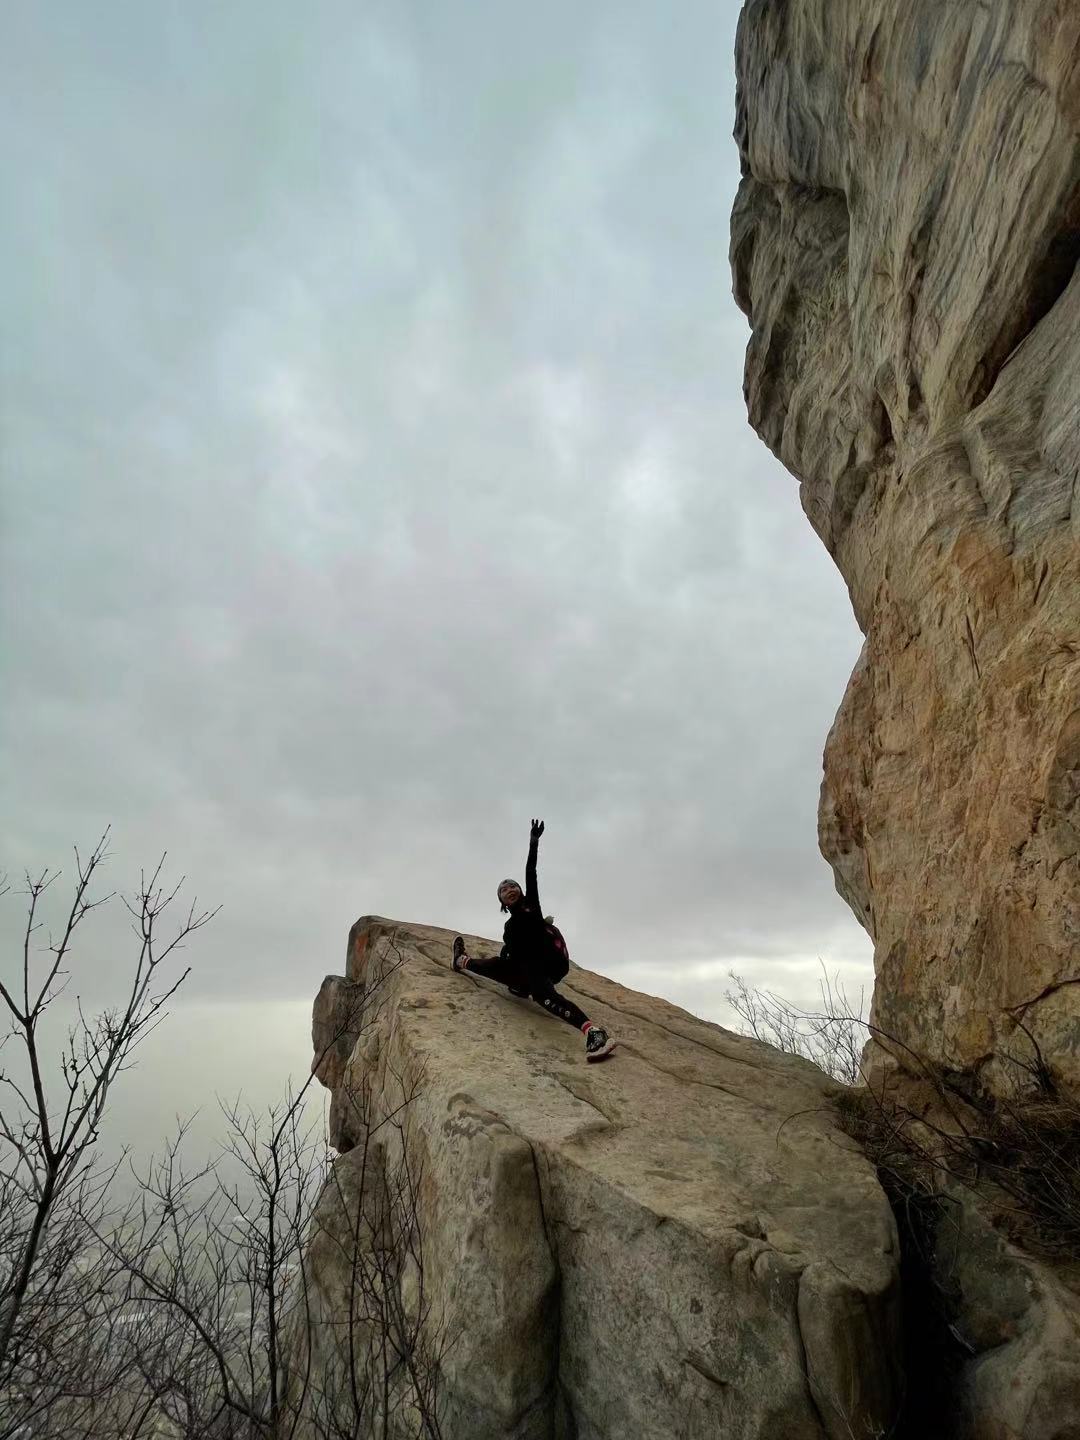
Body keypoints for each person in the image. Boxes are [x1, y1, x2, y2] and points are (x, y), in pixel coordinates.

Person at [452, 819, 616, 1062]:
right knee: (495, 965)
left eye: (513, 886)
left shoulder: (532, 906)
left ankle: (594, 1033)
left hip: (542, 967)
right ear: (502, 903)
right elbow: (510, 953)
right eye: (504, 890)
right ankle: (461, 961)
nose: (510, 889)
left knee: (547, 998)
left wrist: (534, 842)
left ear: (521, 892)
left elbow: (531, 871)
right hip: (524, 970)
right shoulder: (509, 926)